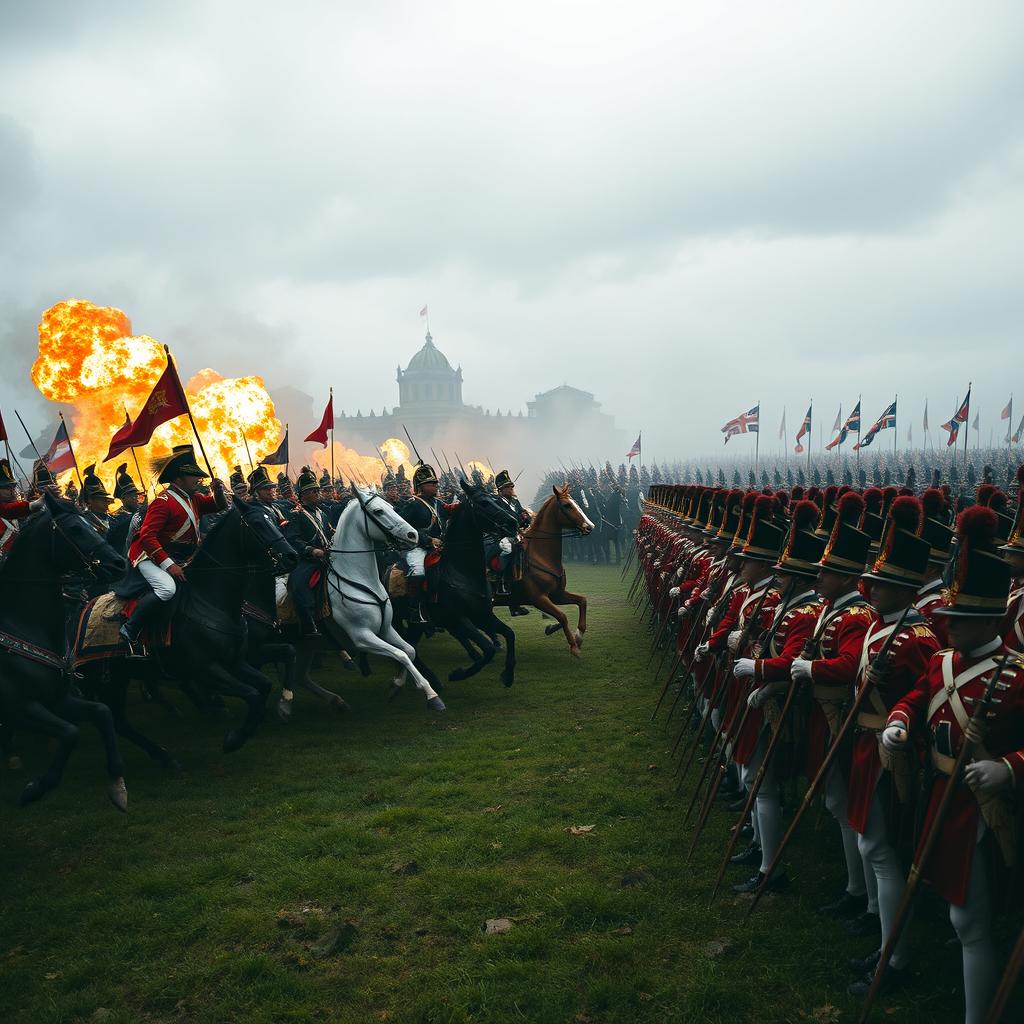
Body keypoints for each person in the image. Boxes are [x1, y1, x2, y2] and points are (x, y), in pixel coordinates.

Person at [884, 505, 1024, 1024]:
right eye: (950, 618)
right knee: (958, 914)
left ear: (989, 619)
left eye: (961, 621)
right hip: (939, 792)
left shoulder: (1018, 676)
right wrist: (898, 722)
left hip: (986, 809)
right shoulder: (943, 661)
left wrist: (1009, 767)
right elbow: (916, 698)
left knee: (974, 920)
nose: (951, 627)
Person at [119, 445, 226, 651]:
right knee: (167, 589)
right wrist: (169, 566)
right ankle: (131, 628)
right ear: (179, 478)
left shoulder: (193, 498)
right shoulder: (163, 501)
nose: (198, 479)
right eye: (193, 475)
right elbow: (148, 537)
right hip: (148, 556)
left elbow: (218, 505)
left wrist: (218, 490)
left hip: (178, 556)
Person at [283, 467, 331, 637]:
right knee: (298, 585)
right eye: (313, 491)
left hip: (327, 557)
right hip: (307, 560)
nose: (317, 493)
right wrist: (311, 550)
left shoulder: (322, 513)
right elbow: (293, 539)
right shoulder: (296, 514)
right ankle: (309, 625)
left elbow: (328, 533)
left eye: (317, 490)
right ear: (303, 495)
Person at [398, 463, 445, 624]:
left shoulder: (438, 503)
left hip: (439, 546)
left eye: (435, 482)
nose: (435, 485)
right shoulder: (413, 503)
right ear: (421, 486)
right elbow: (404, 529)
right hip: (416, 547)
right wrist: (428, 540)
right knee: (417, 570)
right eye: (431, 483)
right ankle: (414, 608)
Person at [0, 459, 43, 557]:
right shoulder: (7, 509)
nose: (12, 491)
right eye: (6, 488)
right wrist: (35, 504)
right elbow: (8, 510)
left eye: (12, 487)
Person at [107, 463, 145, 555]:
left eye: (136, 495)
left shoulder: (142, 511)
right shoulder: (114, 517)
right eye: (132, 495)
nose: (135, 498)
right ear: (123, 498)